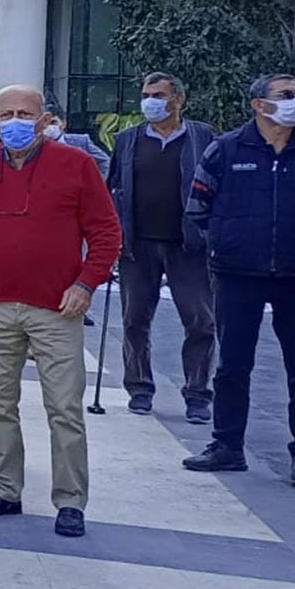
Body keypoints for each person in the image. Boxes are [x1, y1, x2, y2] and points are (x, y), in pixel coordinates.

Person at [0, 84, 120, 538]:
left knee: (64, 407)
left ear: (45, 121)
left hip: (57, 308)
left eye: (26, 113)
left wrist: (87, 283)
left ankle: (70, 500)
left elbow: (106, 232)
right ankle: (4, 488)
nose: (15, 122)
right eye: (7, 114)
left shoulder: (77, 165)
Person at [183, 74, 295, 485]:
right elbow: (197, 205)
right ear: (258, 105)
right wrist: (224, 242)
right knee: (233, 364)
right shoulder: (227, 148)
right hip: (237, 273)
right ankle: (227, 445)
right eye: (286, 95)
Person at [107, 72, 216, 421]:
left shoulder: (203, 137)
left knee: (200, 321)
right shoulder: (127, 140)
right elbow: (112, 189)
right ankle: (139, 388)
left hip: (188, 244)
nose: (149, 101)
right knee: (135, 320)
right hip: (137, 245)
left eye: (158, 94)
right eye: (145, 94)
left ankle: (198, 393)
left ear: (178, 100)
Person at [44, 103, 111, 175]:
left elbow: (104, 161)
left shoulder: (81, 142)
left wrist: (98, 182)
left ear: (63, 123)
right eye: (46, 122)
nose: (49, 127)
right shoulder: (35, 145)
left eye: (53, 122)